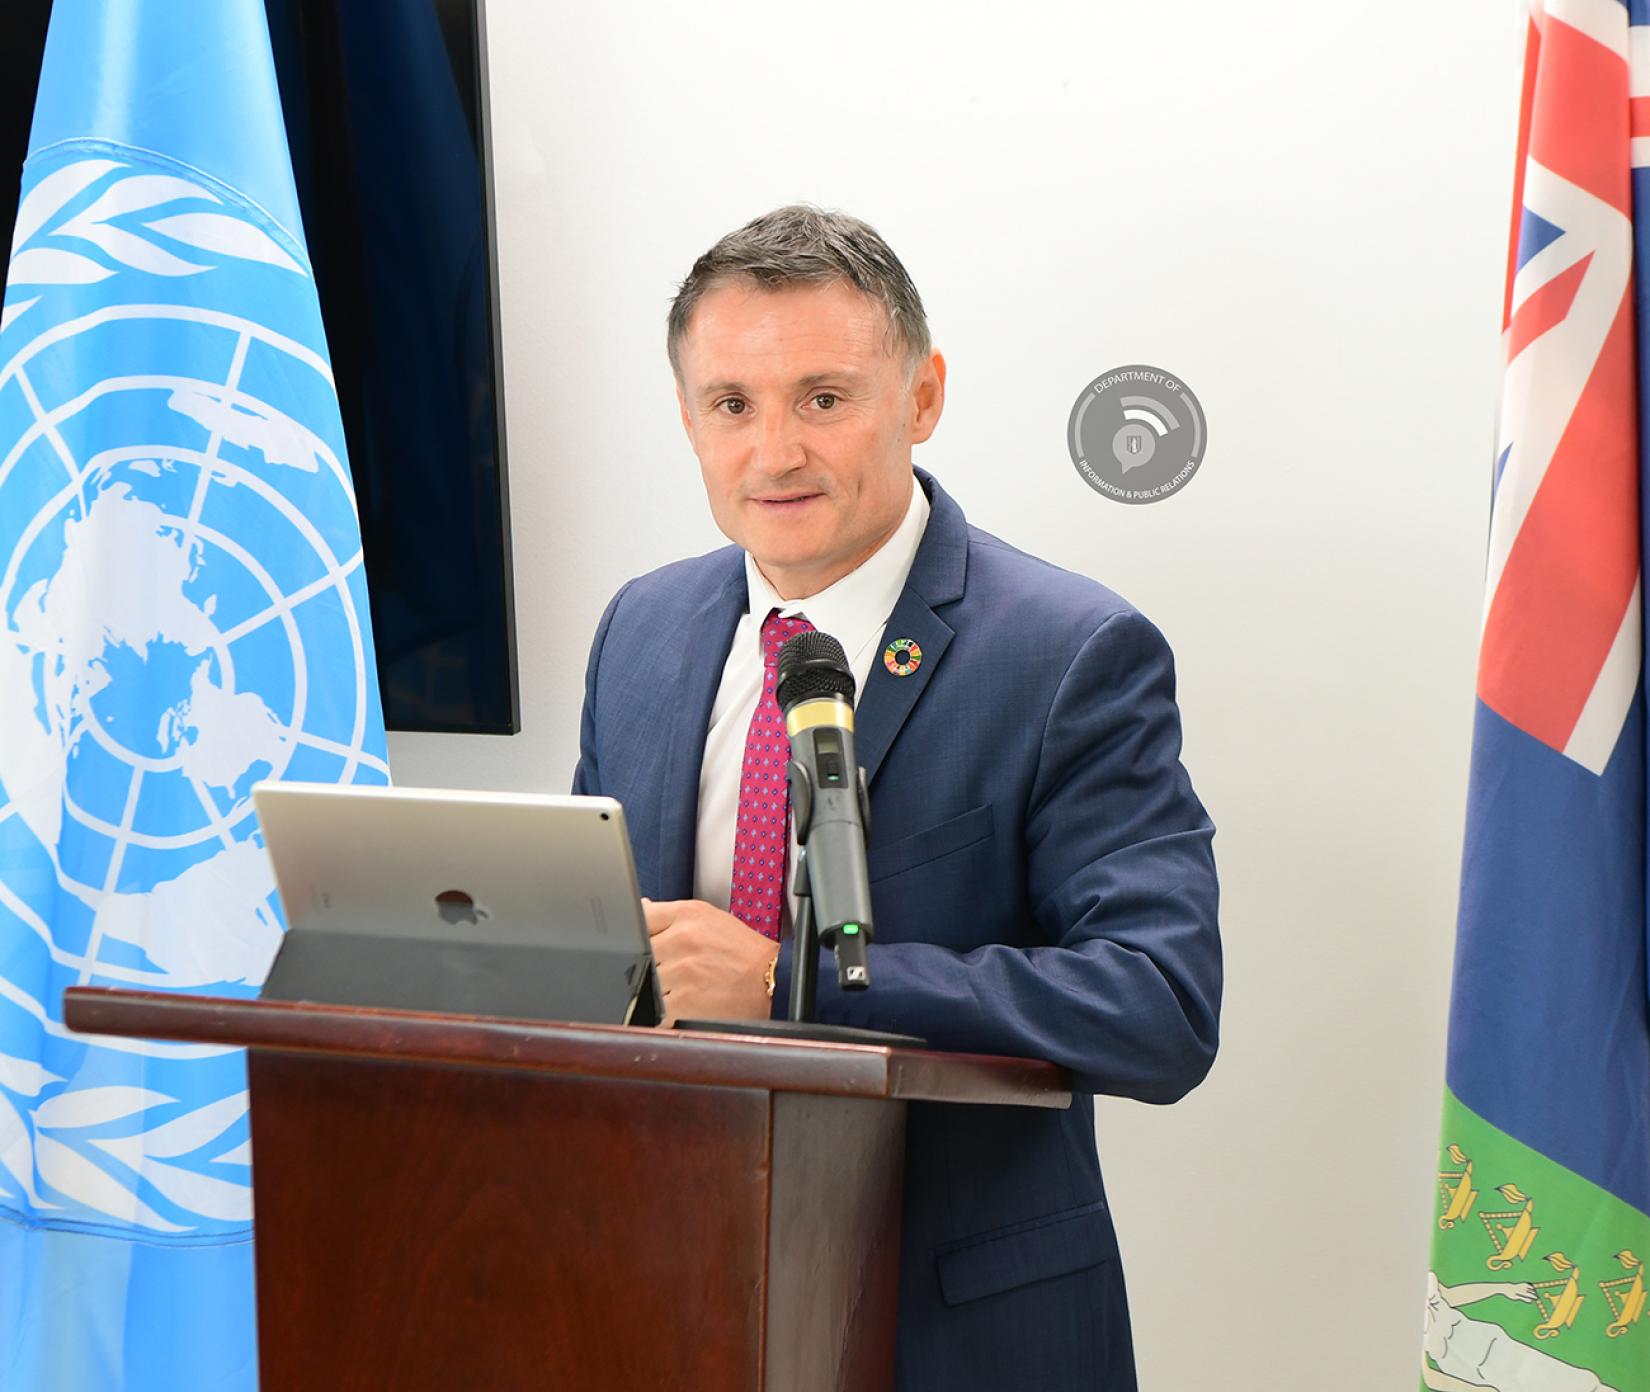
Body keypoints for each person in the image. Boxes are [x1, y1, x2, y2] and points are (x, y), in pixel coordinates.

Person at [572, 204, 1222, 1391]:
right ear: (687, 421)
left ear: (921, 398)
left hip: (960, 1334)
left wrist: (789, 980)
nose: (774, 451)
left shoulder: (1071, 652)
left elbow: (1158, 1004)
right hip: (667, 1293)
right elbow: (598, 958)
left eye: (823, 398)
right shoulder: (641, 633)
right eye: (733, 405)